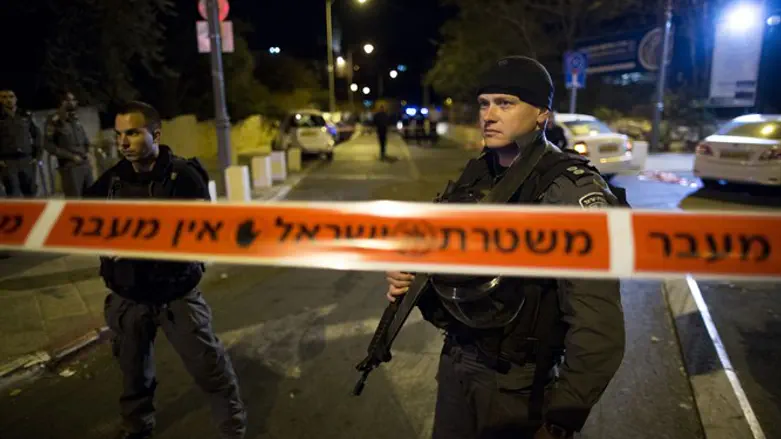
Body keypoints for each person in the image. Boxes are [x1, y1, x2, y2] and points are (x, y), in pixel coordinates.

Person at [384, 56, 626, 439]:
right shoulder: (477, 176)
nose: (489, 115)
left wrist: (561, 420)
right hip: (458, 363)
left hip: (518, 387)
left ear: (542, 113)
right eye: (484, 103)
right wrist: (412, 278)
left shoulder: (568, 190)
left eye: (506, 103)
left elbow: (598, 324)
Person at [84, 101, 246, 439]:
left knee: (210, 370)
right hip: (128, 299)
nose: (123, 142)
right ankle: (137, 427)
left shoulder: (183, 177)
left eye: (132, 133)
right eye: (118, 135)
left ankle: (232, 430)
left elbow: (208, 234)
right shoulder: (110, 183)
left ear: (155, 134)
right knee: (133, 376)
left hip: (177, 297)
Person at [44, 91, 95, 197]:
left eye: (74, 100)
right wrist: (71, 156)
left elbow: (85, 139)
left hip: (85, 164)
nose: (73, 102)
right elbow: (49, 145)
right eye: (70, 100)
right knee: (74, 200)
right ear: (63, 102)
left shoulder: (75, 118)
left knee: (91, 199)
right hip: (70, 167)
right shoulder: (54, 121)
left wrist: (88, 152)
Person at [0, 88, 42, 197]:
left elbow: (37, 135)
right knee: (13, 194)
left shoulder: (25, 115)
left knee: (30, 193)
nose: (8, 100)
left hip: (26, 160)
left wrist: (37, 156)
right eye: (4, 97)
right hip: (8, 162)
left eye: (11, 96)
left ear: (16, 99)